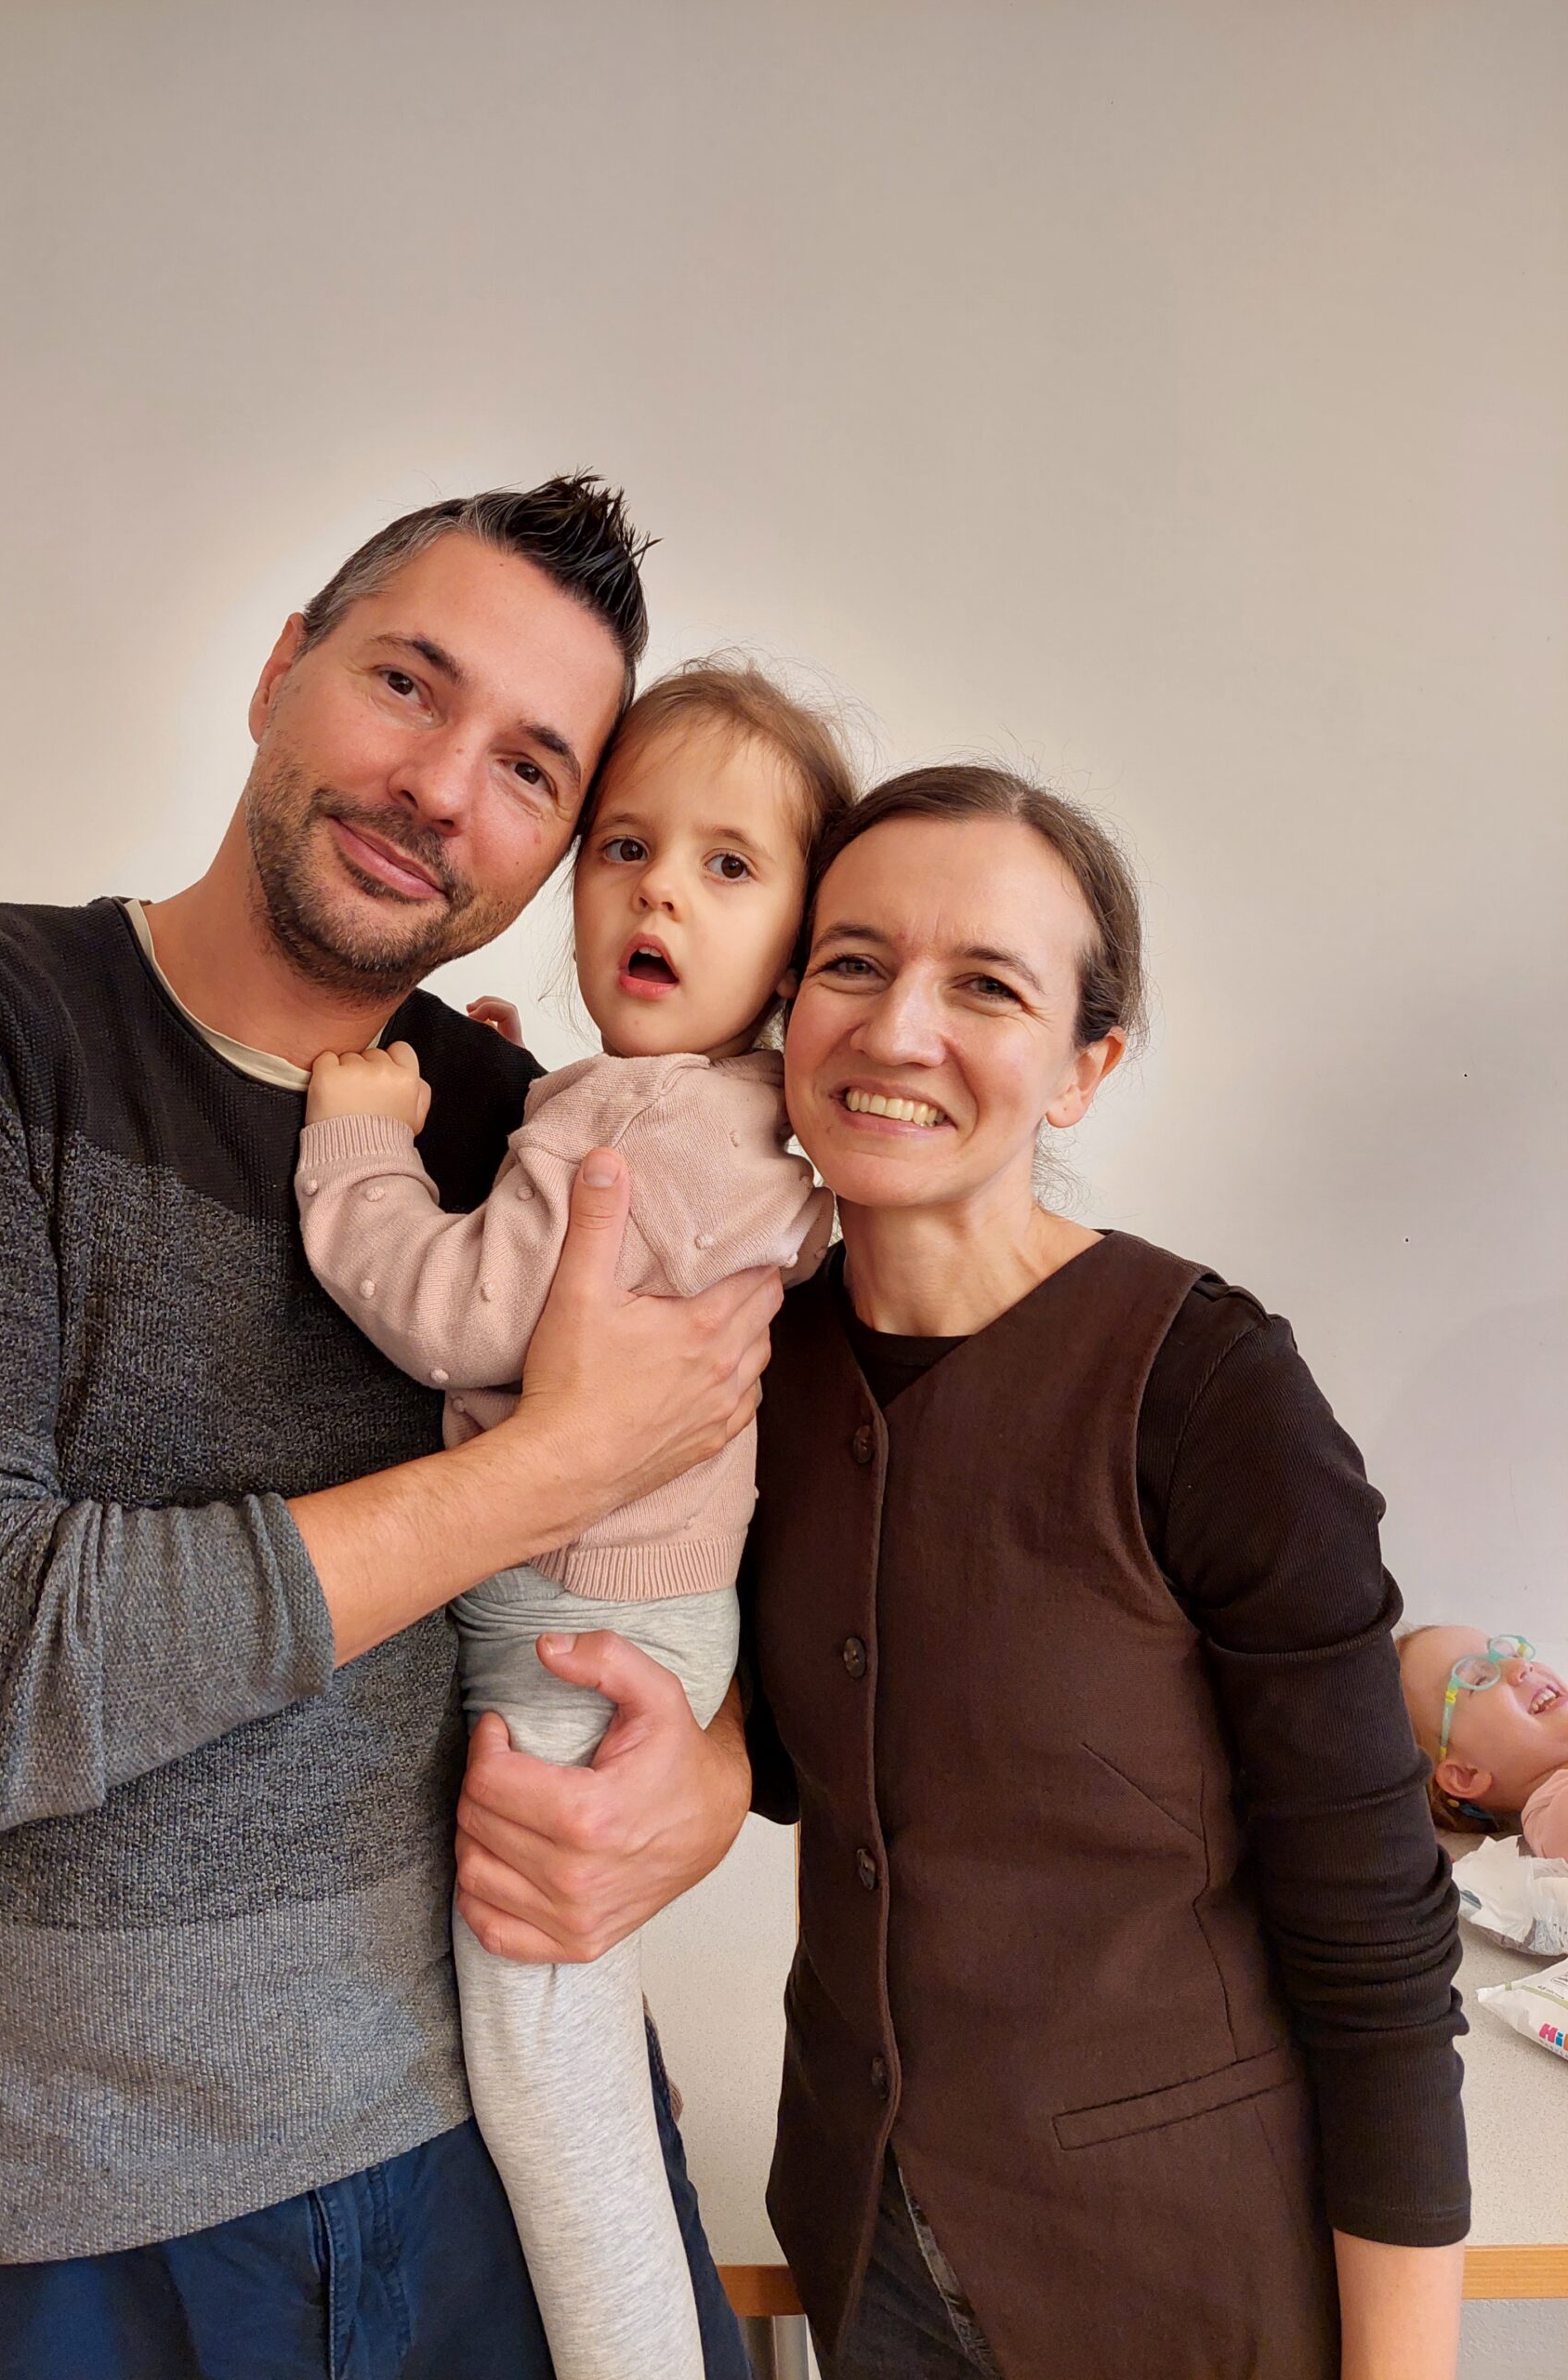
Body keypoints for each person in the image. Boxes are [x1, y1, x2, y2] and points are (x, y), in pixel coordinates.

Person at [0, 477, 767, 2380]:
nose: (441, 788)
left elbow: (753, 1506)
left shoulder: (531, 1127)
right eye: (406, 682)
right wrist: (534, 1472)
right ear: (276, 670)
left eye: (530, 769)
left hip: (494, 2157)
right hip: (27, 2230)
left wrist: (715, 1775)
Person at [454, 763, 1474, 2380]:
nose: (898, 1029)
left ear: (1082, 1068)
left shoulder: (1208, 1390)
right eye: (852, 963)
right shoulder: (735, 1357)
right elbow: (832, 1711)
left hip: (1182, 2287)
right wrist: (702, 1766)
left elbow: (1374, 1937)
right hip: (864, 2255)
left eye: (986, 986)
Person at [294, 661, 850, 2379]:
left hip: (567, 1636)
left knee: (550, 2079)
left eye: (728, 866)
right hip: (656, 1627)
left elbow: (459, 1316)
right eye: (626, 846)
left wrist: (362, 1148)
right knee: (575, 2042)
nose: (659, 891)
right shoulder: (745, 1127)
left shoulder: (625, 1119)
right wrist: (529, 1105)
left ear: (798, 947)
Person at [1399, 1629, 1568, 1849]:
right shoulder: (1556, 1818)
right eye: (1480, 1680)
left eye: (1512, 1654)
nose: (1521, 1666)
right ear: (1466, 1774)